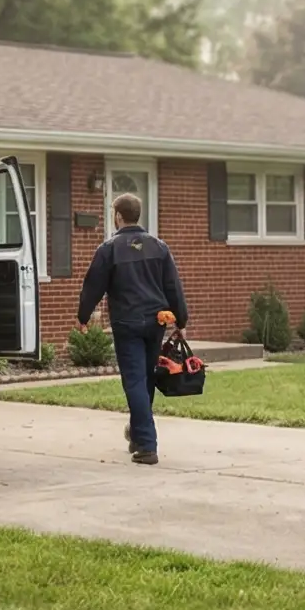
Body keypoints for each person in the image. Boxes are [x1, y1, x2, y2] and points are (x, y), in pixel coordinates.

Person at [74, 191, 188, 465]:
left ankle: (147, 446)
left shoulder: (109, 249)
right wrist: (181, 321)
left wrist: (83, 316)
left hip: (127, 322)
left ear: (118, 216)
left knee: (135, 380)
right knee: (145, 378)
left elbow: (93, 286)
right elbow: (173, 285)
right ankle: (138, 434)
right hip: (155, 322)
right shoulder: (159, 247)